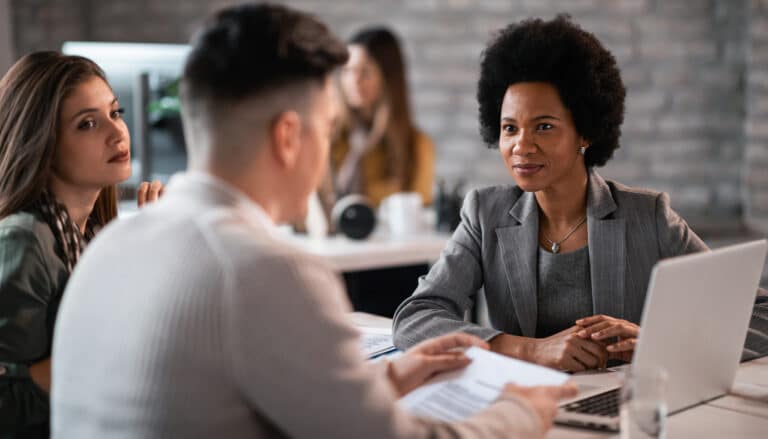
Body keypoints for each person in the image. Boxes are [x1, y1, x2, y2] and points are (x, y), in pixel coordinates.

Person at [51, 4, 575, 438]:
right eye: (325, 129)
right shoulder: (264, 269)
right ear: (287, 137)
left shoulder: (112, 244)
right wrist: (525, 410)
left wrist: (393, 375)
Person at [392, 15, 768, 372]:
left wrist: (658, 343)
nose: (521, 145)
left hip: (620, 408)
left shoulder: (648, 217)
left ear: (585, 132)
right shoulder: (484, 214)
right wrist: (532, 350)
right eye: (509, 128)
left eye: (543, 126)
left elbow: (759, 316)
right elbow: (416, 319)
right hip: (524, 407)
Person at [0, 52, 161, 436]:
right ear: (43, 144)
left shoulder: (92, 233)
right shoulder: (24, 241)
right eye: (87, 124)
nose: (117, 132)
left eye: (115, 113)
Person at [332, 26, 435, 207]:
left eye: (365, 72)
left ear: (388, 77)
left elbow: (421, 212)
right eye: (347, 70)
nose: (353, 80)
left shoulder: (417, 145)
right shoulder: (330, 137)